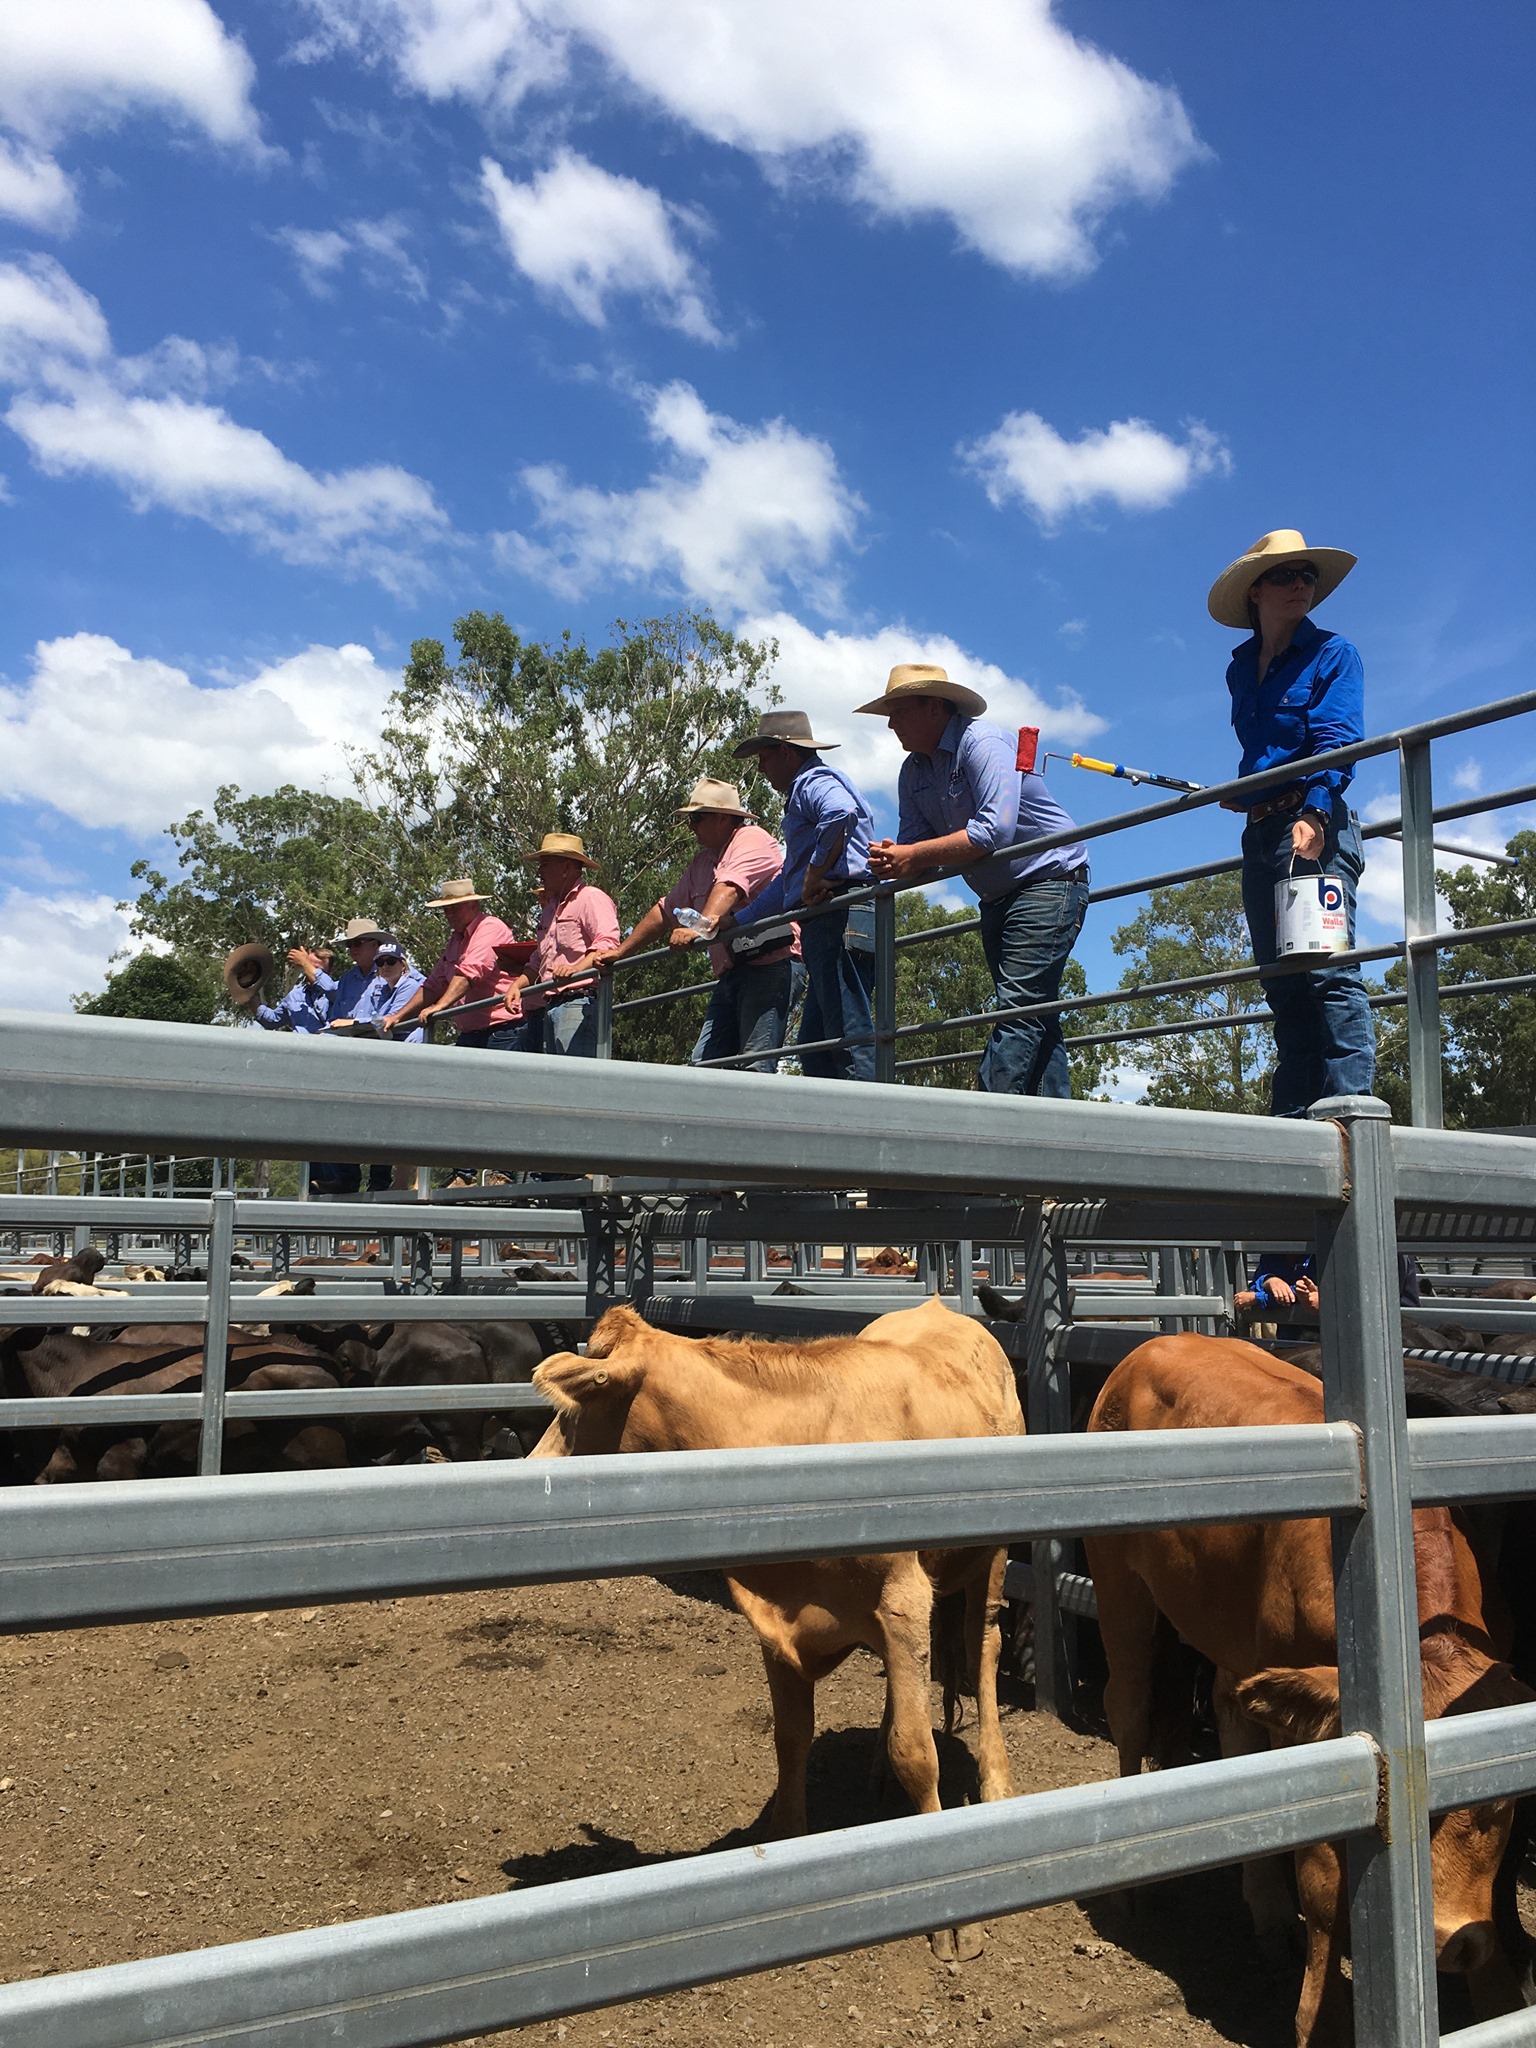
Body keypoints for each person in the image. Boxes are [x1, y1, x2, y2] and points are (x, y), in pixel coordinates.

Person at [861, 663, 1090, 1097]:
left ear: (934, 707)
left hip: (1048, 879)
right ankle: (1059, 1125)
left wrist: (912, 856)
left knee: (1019, 1008)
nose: (891, 724)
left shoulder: (981, 742)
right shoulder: (913, 772)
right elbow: (916, 848)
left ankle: (983, 1117)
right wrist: (897, 861)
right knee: (1033, 1009)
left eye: (899, 712)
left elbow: (993, 831)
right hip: (999, 895)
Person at [1210, 529, 1375, 1117]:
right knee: (1281, 981)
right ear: (1255, 591)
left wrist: (1314, 810)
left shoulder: (1334, 653)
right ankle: (1295, 1119)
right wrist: (1248, 792)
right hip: (1261, 831)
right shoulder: (1239, 669)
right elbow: (1263, 753)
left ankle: (1350, 1110)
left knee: (1326, 971)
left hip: (1313, 826)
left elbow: (1338, 741)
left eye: (1307, 575)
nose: (1300, 584)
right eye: (1285, 575)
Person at [592, 778, 803, 1072]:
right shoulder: (702, 861)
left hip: (771, 965)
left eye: (697, 818)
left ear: (722, 817)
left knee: (755, 1065)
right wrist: (620, 952)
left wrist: (697, 927)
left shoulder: (751, 839)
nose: (691, 826)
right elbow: (666, 910)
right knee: (704, 1066)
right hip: (733, 972)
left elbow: (729, 887)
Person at [721, 710, 876, 1082]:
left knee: (846, 1036)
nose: (761, 768)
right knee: (816, 1045)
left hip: (837, 913)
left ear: (786, 752)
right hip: (834, 915)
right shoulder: (810, 786)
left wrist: (815, 874)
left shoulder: (811, 781)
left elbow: (839, 812)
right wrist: (739, 921)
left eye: (764, 757)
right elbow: (787, 882)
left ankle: (870, 1115)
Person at [506, 834, 621, 1058]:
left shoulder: (591, 898)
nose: (540, 871)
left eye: (546, 864)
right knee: (558, 1075)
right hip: (552, 1005)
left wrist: (576, 969)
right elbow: (539, 959)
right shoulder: (550, 909)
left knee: (576, 1074)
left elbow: (607, 944)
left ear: (567, 868)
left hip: (579, 1002)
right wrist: (517, 986)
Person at [387, 879, 524, 1049]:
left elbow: (470, 972)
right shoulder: (456, 939)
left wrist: (440, 1006)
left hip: (502, 1031)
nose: (450, 914)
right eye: (446, 909)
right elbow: (434, 984)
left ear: (473, 905)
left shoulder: (491, 927)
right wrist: (397, 1017)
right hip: (471, 1034)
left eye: (456, 907)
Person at [309, 916, 387, 1024]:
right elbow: (336, 1018)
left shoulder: (393, 972)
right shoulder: (346, 980)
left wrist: (354, 1023)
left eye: (358, 943)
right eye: (349, 945)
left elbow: (395, 1016)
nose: (352, 949)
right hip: (347, 1034)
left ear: (374, 944)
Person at [254, 946, 335, 1033]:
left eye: (317, 969)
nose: (310, 971)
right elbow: (272, 1021)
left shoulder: (339, 991)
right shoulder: (295, 995)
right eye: (309, 966)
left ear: (330, 971)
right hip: (299, 1041)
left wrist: (305, 963)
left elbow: (329, 989)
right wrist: (249, 996)